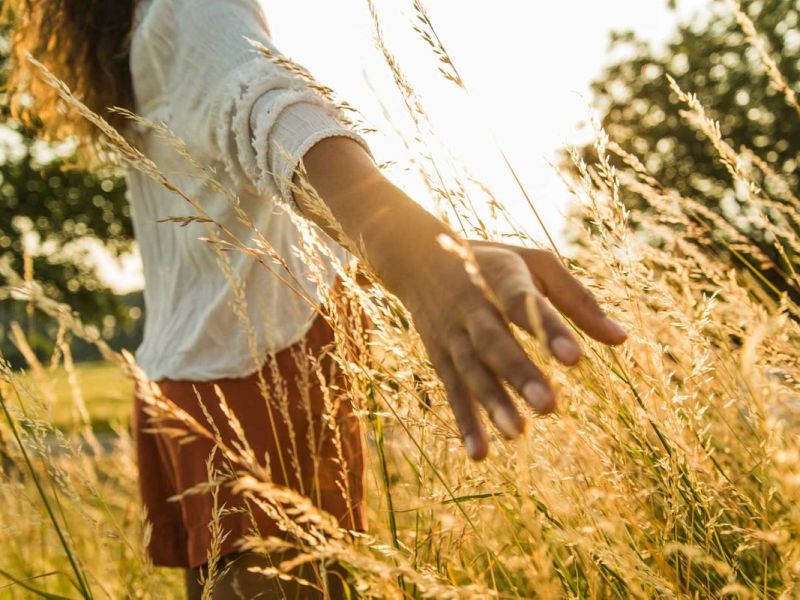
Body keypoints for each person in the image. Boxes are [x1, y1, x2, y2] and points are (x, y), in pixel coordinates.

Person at [6, 0, 628, 597]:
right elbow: (266, 105)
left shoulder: (138, 25)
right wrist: (408, 251)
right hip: (259, 367)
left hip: (183, 370)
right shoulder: (189, 7)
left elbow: (250, 137)